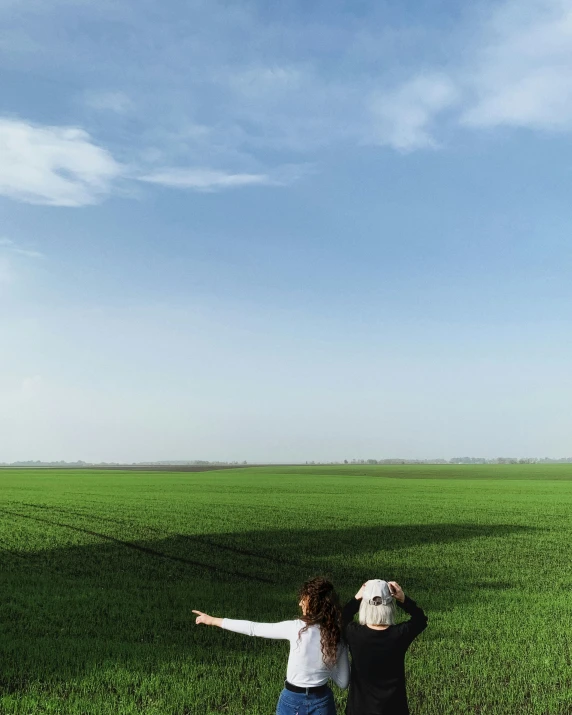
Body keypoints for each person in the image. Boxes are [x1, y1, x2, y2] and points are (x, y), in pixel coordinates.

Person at [193, 576, 349, 714]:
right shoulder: (337, 637)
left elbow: (254, 629)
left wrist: (212, 620)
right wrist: (326, 667)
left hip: (292, 702)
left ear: (314, 604)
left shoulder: (296, 628)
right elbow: (343, 683)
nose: (300, 602)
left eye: (304, 599)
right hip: (322, 703)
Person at [342, 579, 427, 715]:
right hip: (394, 709)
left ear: (364, 605)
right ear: (389, 605)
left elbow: (340, 618)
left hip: (359, 710)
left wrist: (356, 598)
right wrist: (403, 599)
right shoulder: (400, 634)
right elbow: (420, 619)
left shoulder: (354, 633)